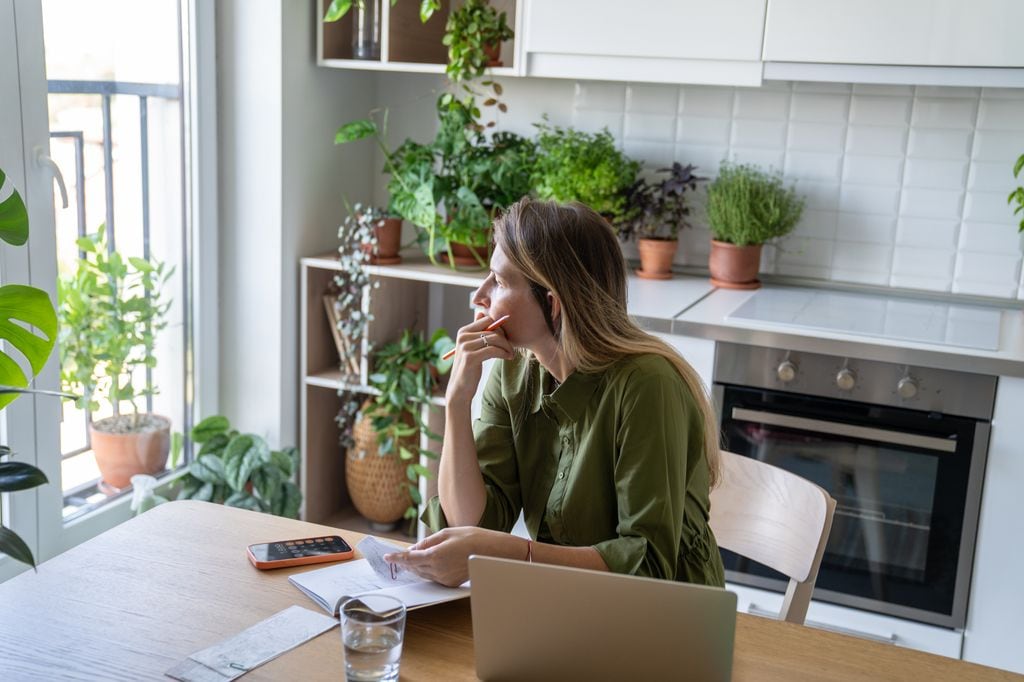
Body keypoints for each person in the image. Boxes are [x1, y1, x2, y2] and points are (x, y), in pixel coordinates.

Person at [384, 197, 725, 588]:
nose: (478, 296)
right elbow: (470, 524)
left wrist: (513, 553)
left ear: (552, 304)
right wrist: (457, 403)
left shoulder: (648, 386)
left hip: (668, 612)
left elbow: (648, 565)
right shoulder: (513, 369)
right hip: (564, 596)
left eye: (499, 282)